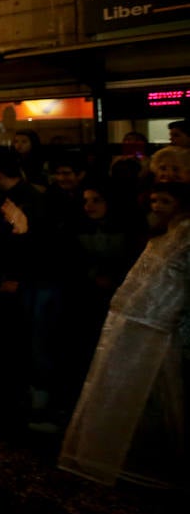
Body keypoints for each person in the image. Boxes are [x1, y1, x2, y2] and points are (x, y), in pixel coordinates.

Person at [60, 180, 188, 495]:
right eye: (154, 201)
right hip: (144, 324)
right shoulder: (165, 236)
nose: (156, 207)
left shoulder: (183, 237)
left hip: (165, 326)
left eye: (165, 202)